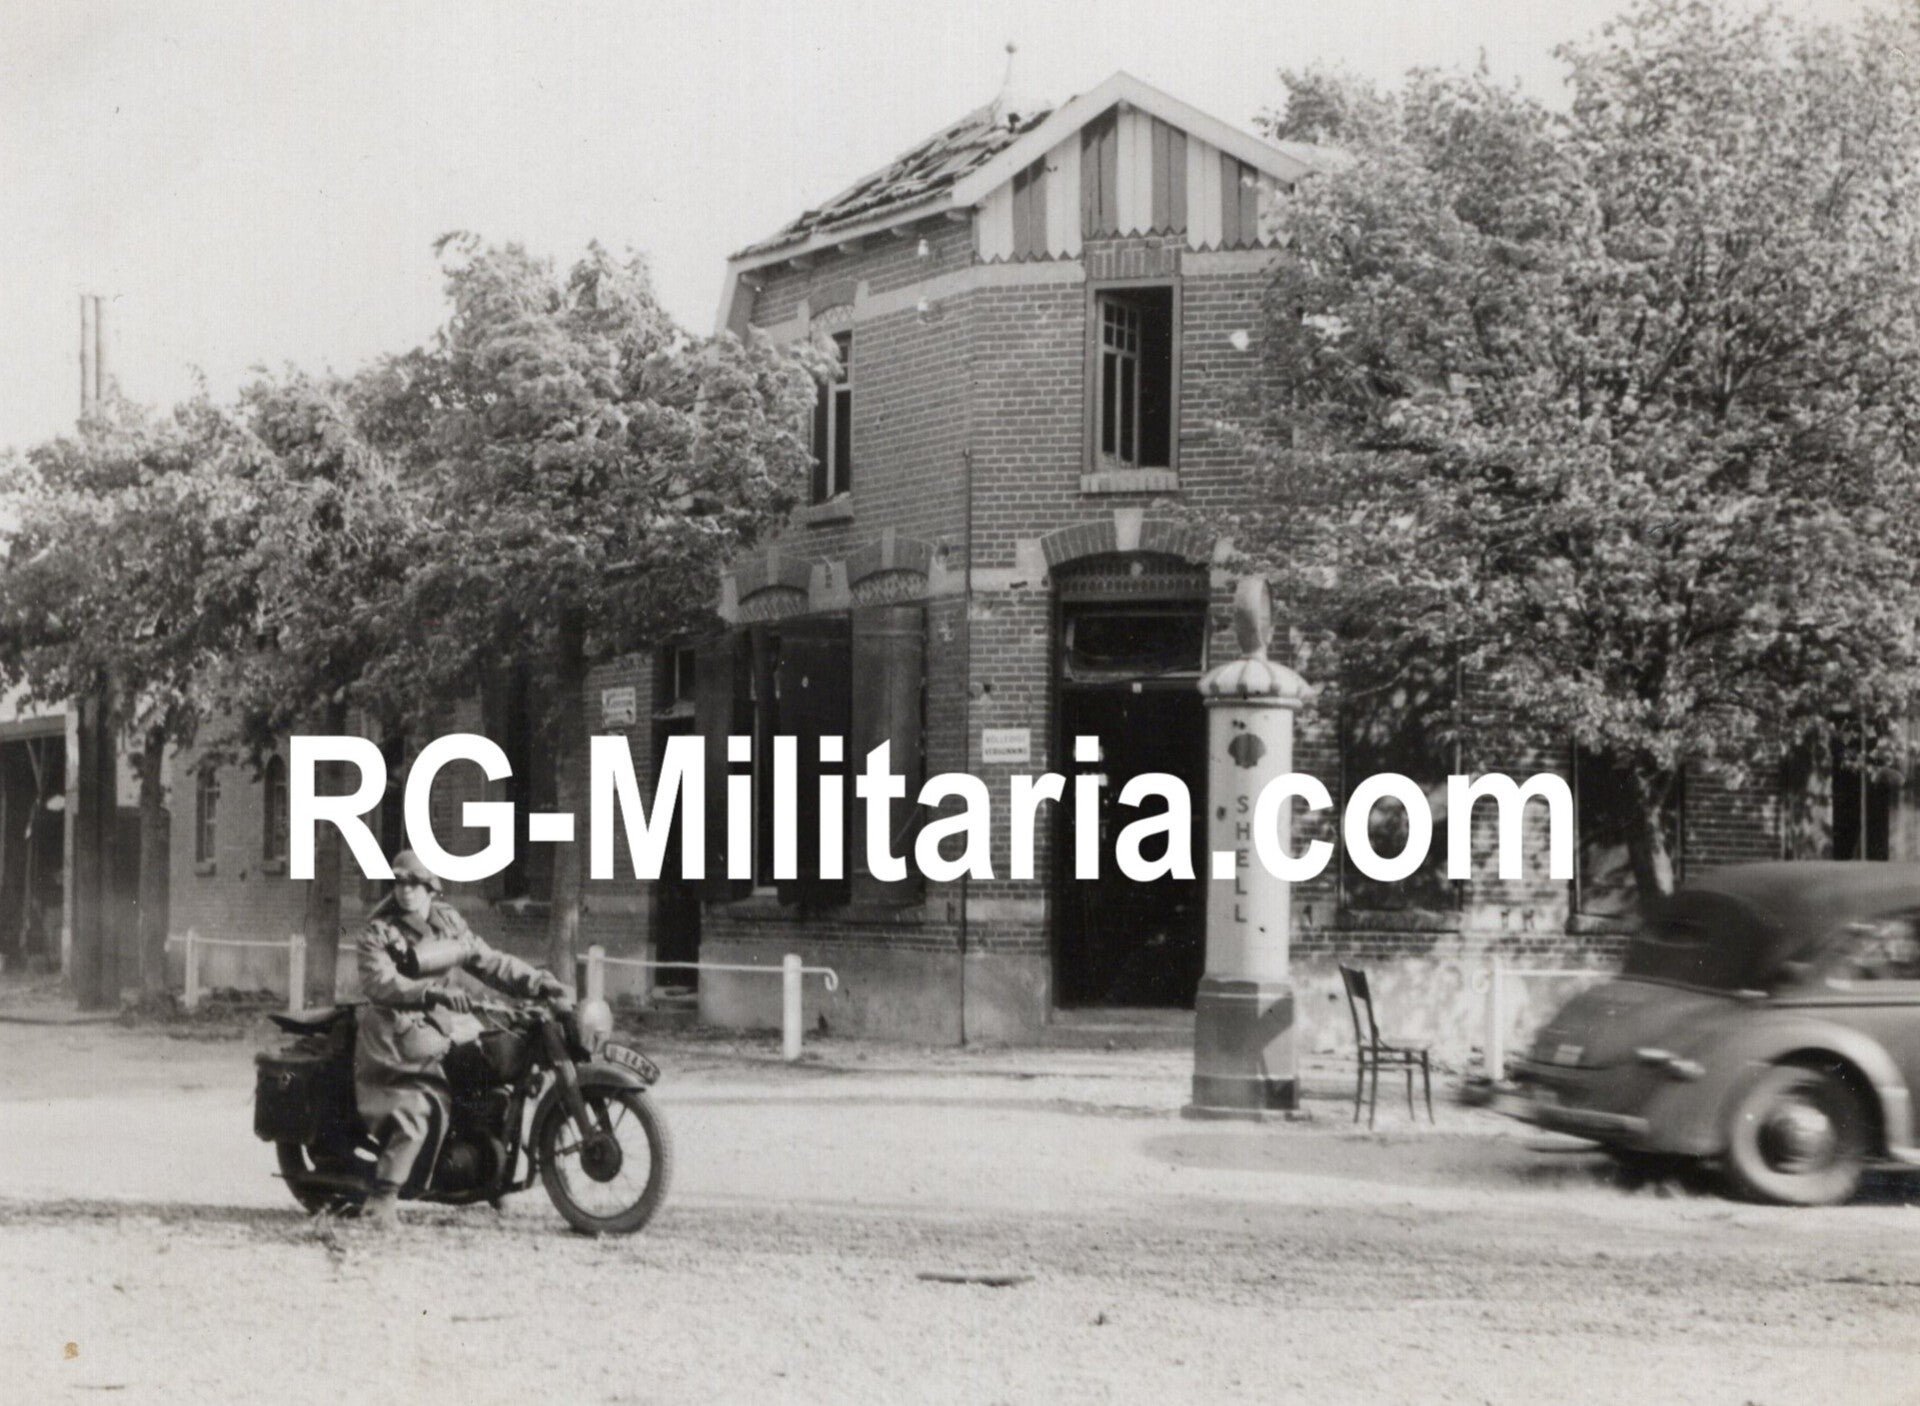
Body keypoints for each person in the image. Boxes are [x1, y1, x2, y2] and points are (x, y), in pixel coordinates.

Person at [354, 849, 569, 1228]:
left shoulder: (448, 922)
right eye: (398, 882)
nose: (405, 890)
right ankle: (383, 1196)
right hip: (394, 1030)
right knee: (418, 1103)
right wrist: (430, 994)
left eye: (414, 883)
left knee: (490, 1075)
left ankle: (490, 1176)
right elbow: (379, 982)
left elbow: (487, 960)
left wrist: (536, 982)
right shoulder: (379, 931)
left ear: (431, 888)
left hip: (436, 1025)